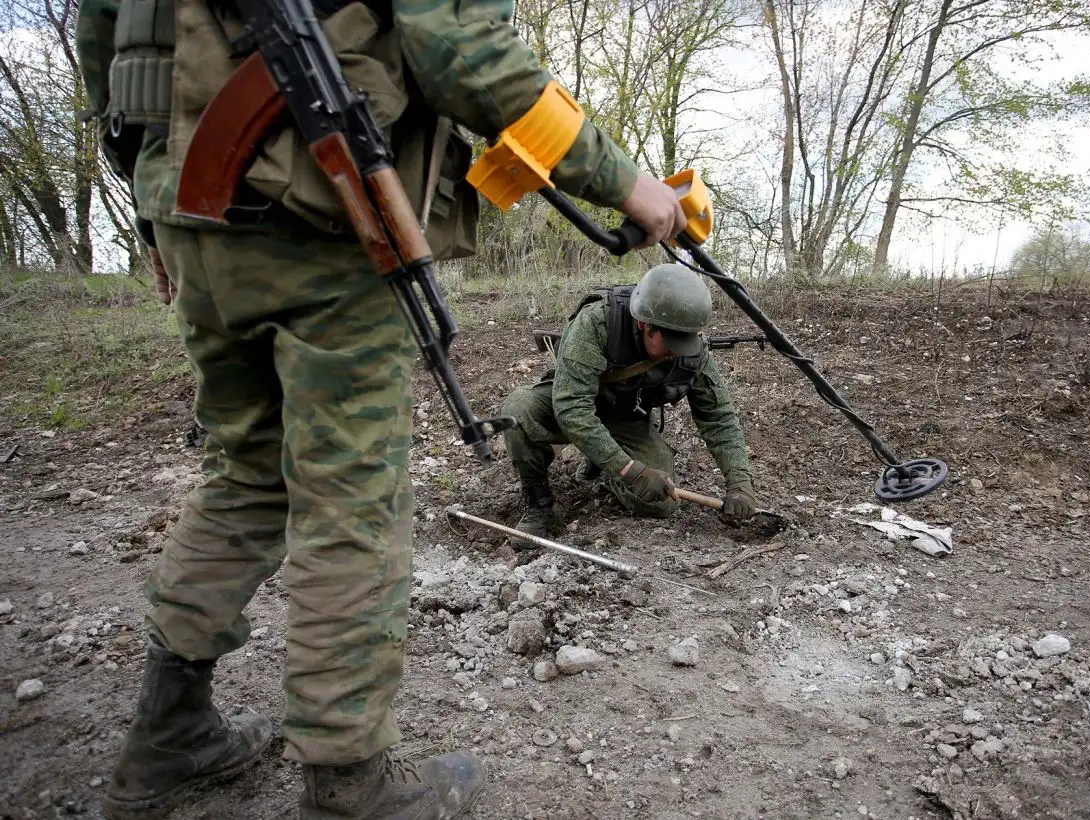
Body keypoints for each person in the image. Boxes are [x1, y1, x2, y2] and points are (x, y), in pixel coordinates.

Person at [74, 0, 687, 817]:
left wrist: (150, 214)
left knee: (247, 473)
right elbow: (460, 46)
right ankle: (350, 785)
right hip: (319, 214)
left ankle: (169, 733)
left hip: (189, 210)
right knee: (352, 498)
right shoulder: (596, 327)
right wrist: (624, 180)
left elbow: (106, 43)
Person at [501, 263, 760, 535]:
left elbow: (719, 419)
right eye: (670, 341)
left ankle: (602, 459)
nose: (676, 351)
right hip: (575, 402)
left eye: (685, 341)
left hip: (627, 417)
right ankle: (538, 504)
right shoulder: (597, 323)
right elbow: (572, 408)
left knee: (660, 504)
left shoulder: (694, 353)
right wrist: (629, 471)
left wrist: (740, 485)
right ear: (644, 323)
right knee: (518, 410)